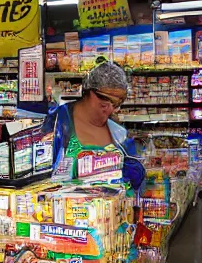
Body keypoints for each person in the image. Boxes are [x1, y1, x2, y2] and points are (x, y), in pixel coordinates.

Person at [43, 61, 145, 189]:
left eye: (115, 105)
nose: (109, 110)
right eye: (103, 102)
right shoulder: (58, 120)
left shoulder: (118, 132)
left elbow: (134, 178)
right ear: (88, 91)